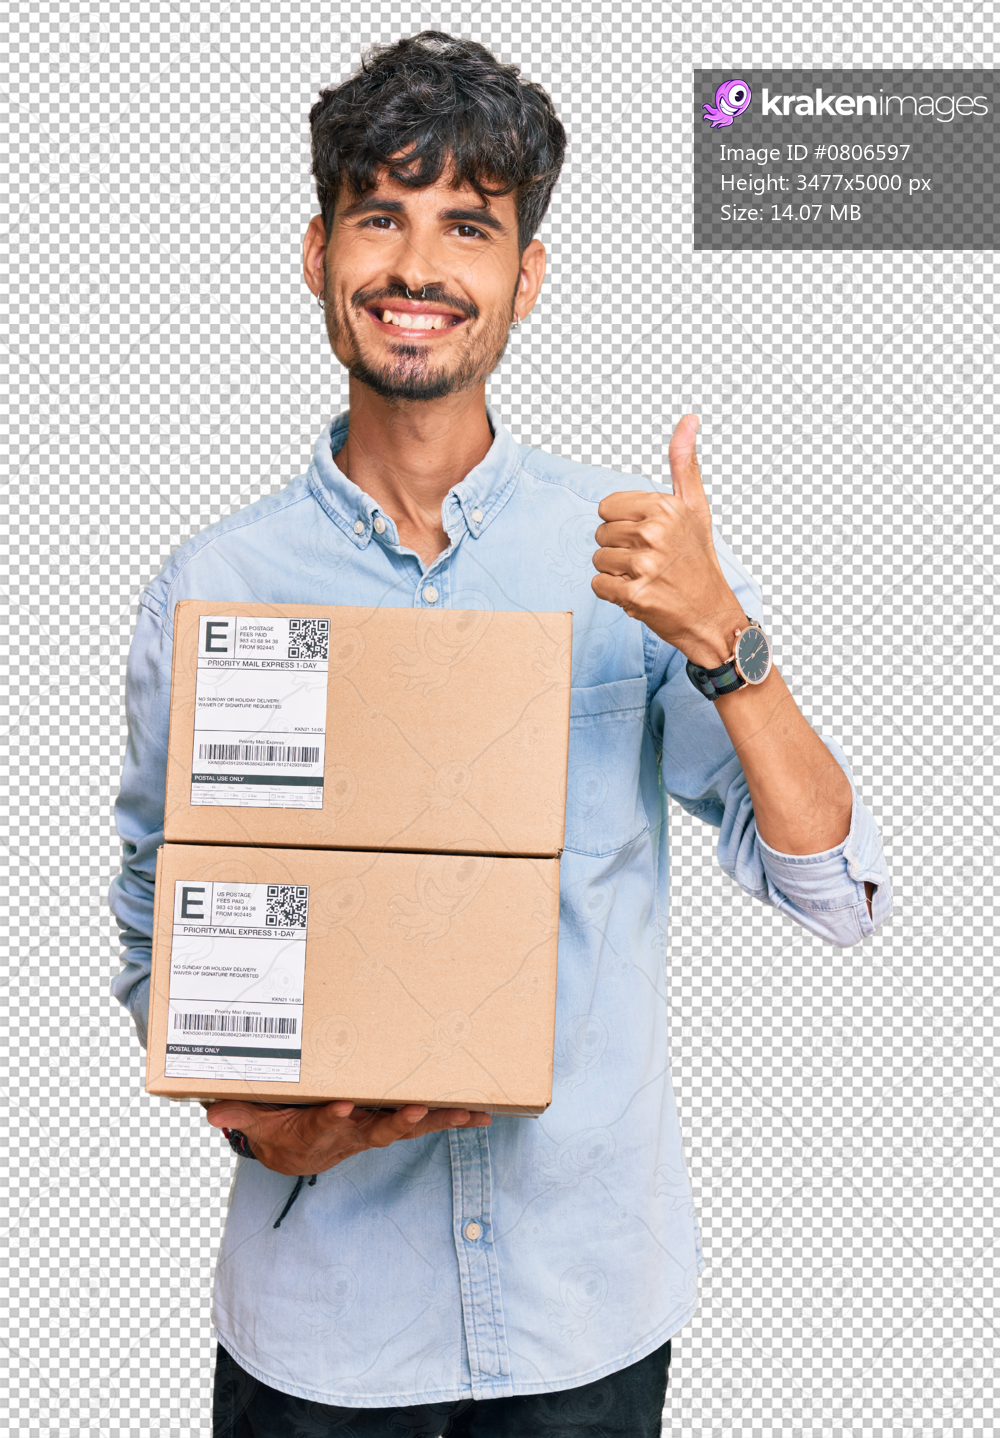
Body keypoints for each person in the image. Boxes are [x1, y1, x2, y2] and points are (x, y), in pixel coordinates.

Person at [109, 30, 893, 1437]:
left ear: (526, 276)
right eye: (380, 217)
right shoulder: (214, 589)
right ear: (317, 253)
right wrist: (248, 1118)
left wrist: (725, 640)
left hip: (581, 1312)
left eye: (467, 225)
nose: (418, 268)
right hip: (324, 1324)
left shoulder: (633, 561)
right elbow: (157, 924)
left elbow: (833, 888)